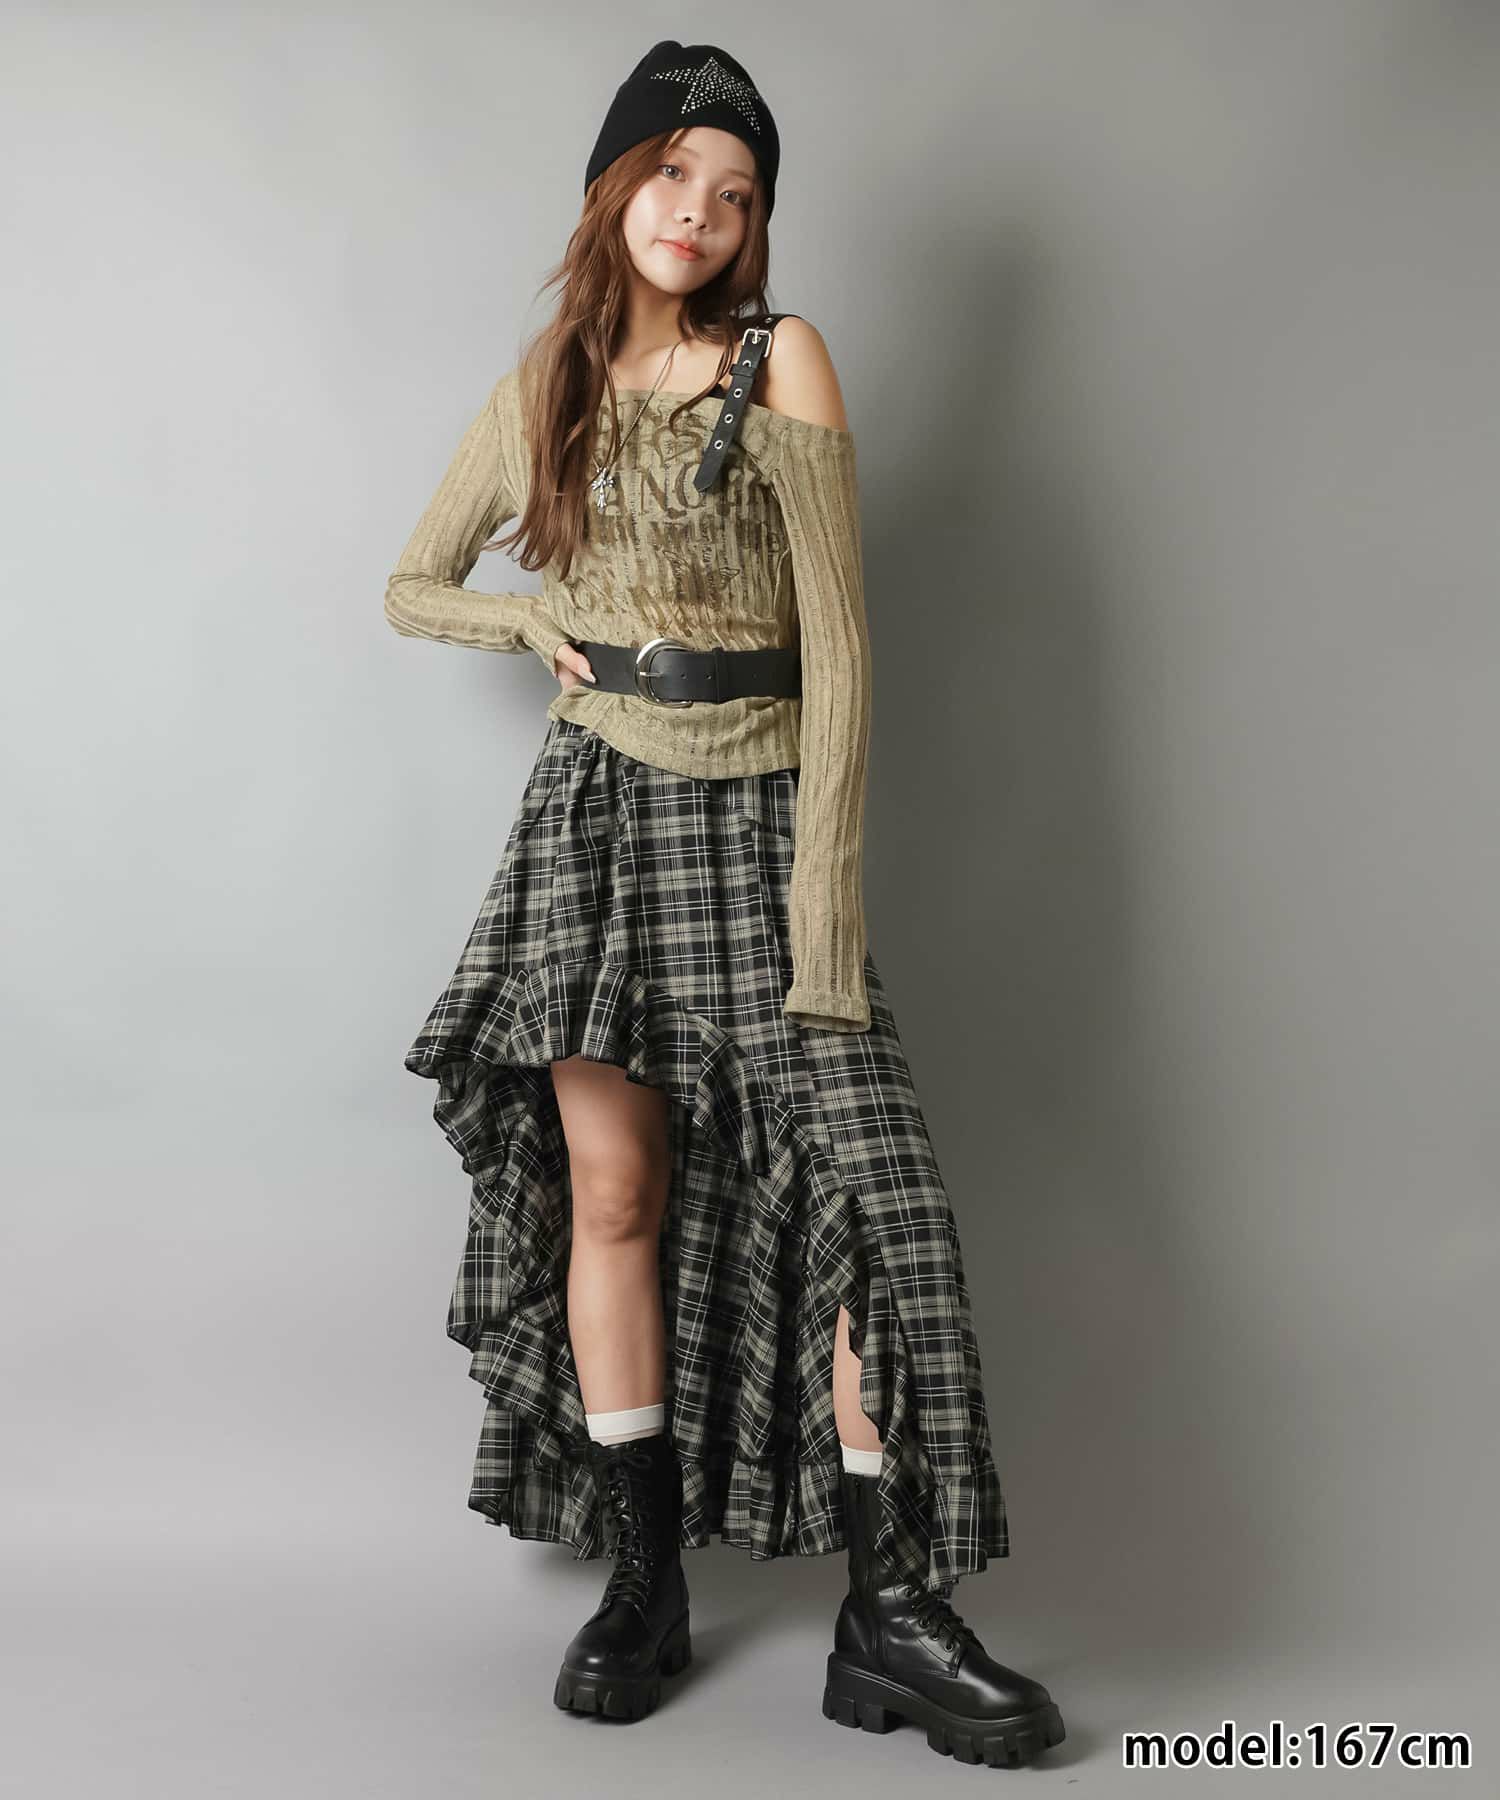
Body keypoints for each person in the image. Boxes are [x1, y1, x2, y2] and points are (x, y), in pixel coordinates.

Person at [384, 38, 1066, 1771]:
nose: (702, 210)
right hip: (598, 823)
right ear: (618, 187)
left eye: (738, 190)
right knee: (614, 1192)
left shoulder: (784, 362)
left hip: (761, 818)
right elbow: (412, 581)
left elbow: (843, 646)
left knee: (874, 1205)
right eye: (675, 173)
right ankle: (645, 1583)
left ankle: (892, 1610)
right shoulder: (547, 382)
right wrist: (524, 625)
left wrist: (823, 900)